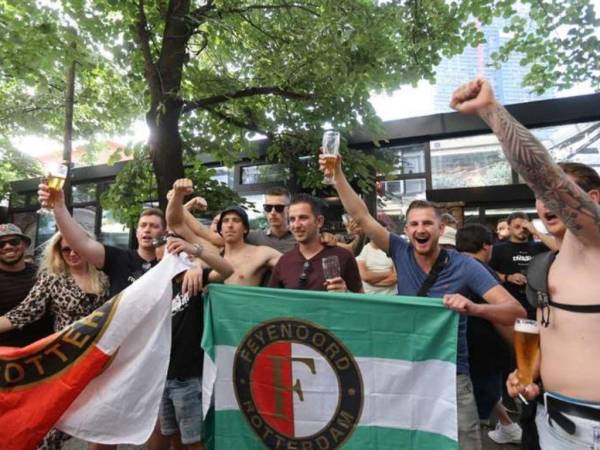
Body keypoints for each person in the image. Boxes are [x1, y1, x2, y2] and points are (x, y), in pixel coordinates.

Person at [319, 153, 525, 450]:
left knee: (464, 442)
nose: (420, 230)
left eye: (427, 223)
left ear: (441, 229)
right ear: (406, 231)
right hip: (408, 369)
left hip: (452, 373)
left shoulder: (464, 266)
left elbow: (515, 311)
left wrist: (473, 308)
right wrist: (337, 175)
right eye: (414, 224)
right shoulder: (400, 251)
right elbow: (362, 216)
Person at [451, 78, 600, 450]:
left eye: (552, 195)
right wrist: (525, 373)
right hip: (550, 422)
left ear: (591, 199)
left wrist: (492, 113)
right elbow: (544, 334)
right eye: (536, 196)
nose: (544, 203)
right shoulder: (546, 263)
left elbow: (545, 175)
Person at [0, 231, 109, 450]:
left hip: (100, 359)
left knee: (102, 424)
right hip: (64, 361)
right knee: (52, 426)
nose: (71, 253)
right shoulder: (53, 279)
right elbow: (22, 313)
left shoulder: (105, 277)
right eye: (65, 249)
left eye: (76, 247)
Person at [149, 234, 233, 450]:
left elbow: (227, 270)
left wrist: (195, 254)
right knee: (173, 436)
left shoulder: (195, 278)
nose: (165, 265)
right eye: (160, 261)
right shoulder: (157, 288)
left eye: (170, 257)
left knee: (193, 440)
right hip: (162, 376)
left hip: (188, 377)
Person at [456, 224, 521, 444]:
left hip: (460, 349)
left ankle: (507, 427)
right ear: (486, 246)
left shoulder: (454, 267)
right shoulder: (481, 270)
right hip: (483, 350)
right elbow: (506, 315)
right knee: (477, 407)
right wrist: (518, 350)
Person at [167, 179, 281, 286]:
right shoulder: (211, 252)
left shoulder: (261, 253)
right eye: (225, 221)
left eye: (236, 220)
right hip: (216, 307)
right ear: (220, 229)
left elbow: (293, 268)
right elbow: (177, 225)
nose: (230, 225)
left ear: (245, 229)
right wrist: (177, 196)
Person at [269, 194, 362, 293]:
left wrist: (346, 293)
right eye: (292, 219)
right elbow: (273, 300)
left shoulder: (343, 256)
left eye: (303, 218)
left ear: (319, 221)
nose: (296, 225)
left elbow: (361, 298)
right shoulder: (284, 261)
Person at [0, 223, 53, 347]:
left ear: (24, 245)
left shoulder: (43, 273)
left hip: (47, 352)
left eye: (14, 241)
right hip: (7, 358)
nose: (8, 247)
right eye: (1, 244)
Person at [489, 211, 548, 318]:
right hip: (510, 303)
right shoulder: (498, 249)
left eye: (525, 227)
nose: (522, 230)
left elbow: (558, 248)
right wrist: (508, 277)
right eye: (517, 226)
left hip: (538, 304)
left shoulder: (540, 247)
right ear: (509, 228)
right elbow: (488, 273)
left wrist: (536, 232)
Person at [246, 186, 296, 253]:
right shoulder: (253, 237)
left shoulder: (300, 237)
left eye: (279, 208)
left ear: (290, 209)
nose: (272, 212)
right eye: (268, 207)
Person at [356, 221, 396, 295]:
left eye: (385, 233)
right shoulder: (363, 251)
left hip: (392, 295)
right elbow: (365, 276)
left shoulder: (392, 250)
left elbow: (396, 277)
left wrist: (372, 283)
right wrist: (388, 273)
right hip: (371, 297)